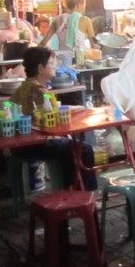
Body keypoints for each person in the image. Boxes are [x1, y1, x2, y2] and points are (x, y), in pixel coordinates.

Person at [10, 47, 98, 191]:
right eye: (51, 63)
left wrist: (77, 108)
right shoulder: (41, 91)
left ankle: (68, 187)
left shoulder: (24, 87)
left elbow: (53, 109)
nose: (54, 66)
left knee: (68, 146)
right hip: (37, 144)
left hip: (22, 143)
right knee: (84, 148)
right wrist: (81, 109)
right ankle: (87, 193)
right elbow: (56, 116)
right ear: (40, 68)